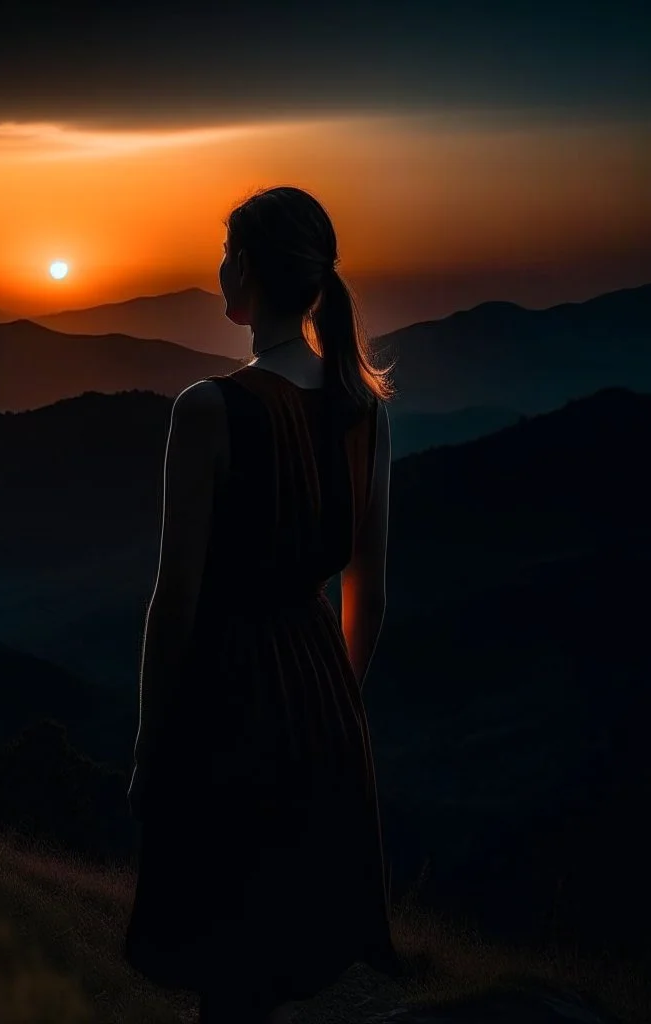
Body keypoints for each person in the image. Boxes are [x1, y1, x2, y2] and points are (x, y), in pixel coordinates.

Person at [124, 185, 399, 1024]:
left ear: (243, 270)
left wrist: (150, 748)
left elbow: (173, 603)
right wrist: (337, 704)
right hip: (324, 696)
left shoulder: (208, 411)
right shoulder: (364, 411)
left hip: (229, 697)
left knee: (231, 967)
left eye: (225, 251)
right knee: (288, 954)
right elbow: (371, 591)